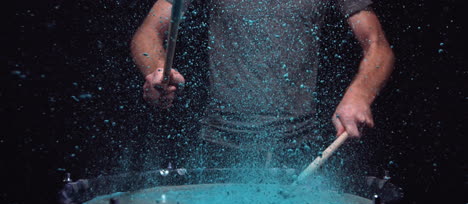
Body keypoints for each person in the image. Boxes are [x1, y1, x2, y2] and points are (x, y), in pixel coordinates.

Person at [130, 0, 394, 170]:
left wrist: (360, 94)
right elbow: (147, 33)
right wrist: (157, 70)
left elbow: (378, 46)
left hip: (299, 149)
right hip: (219, 148)